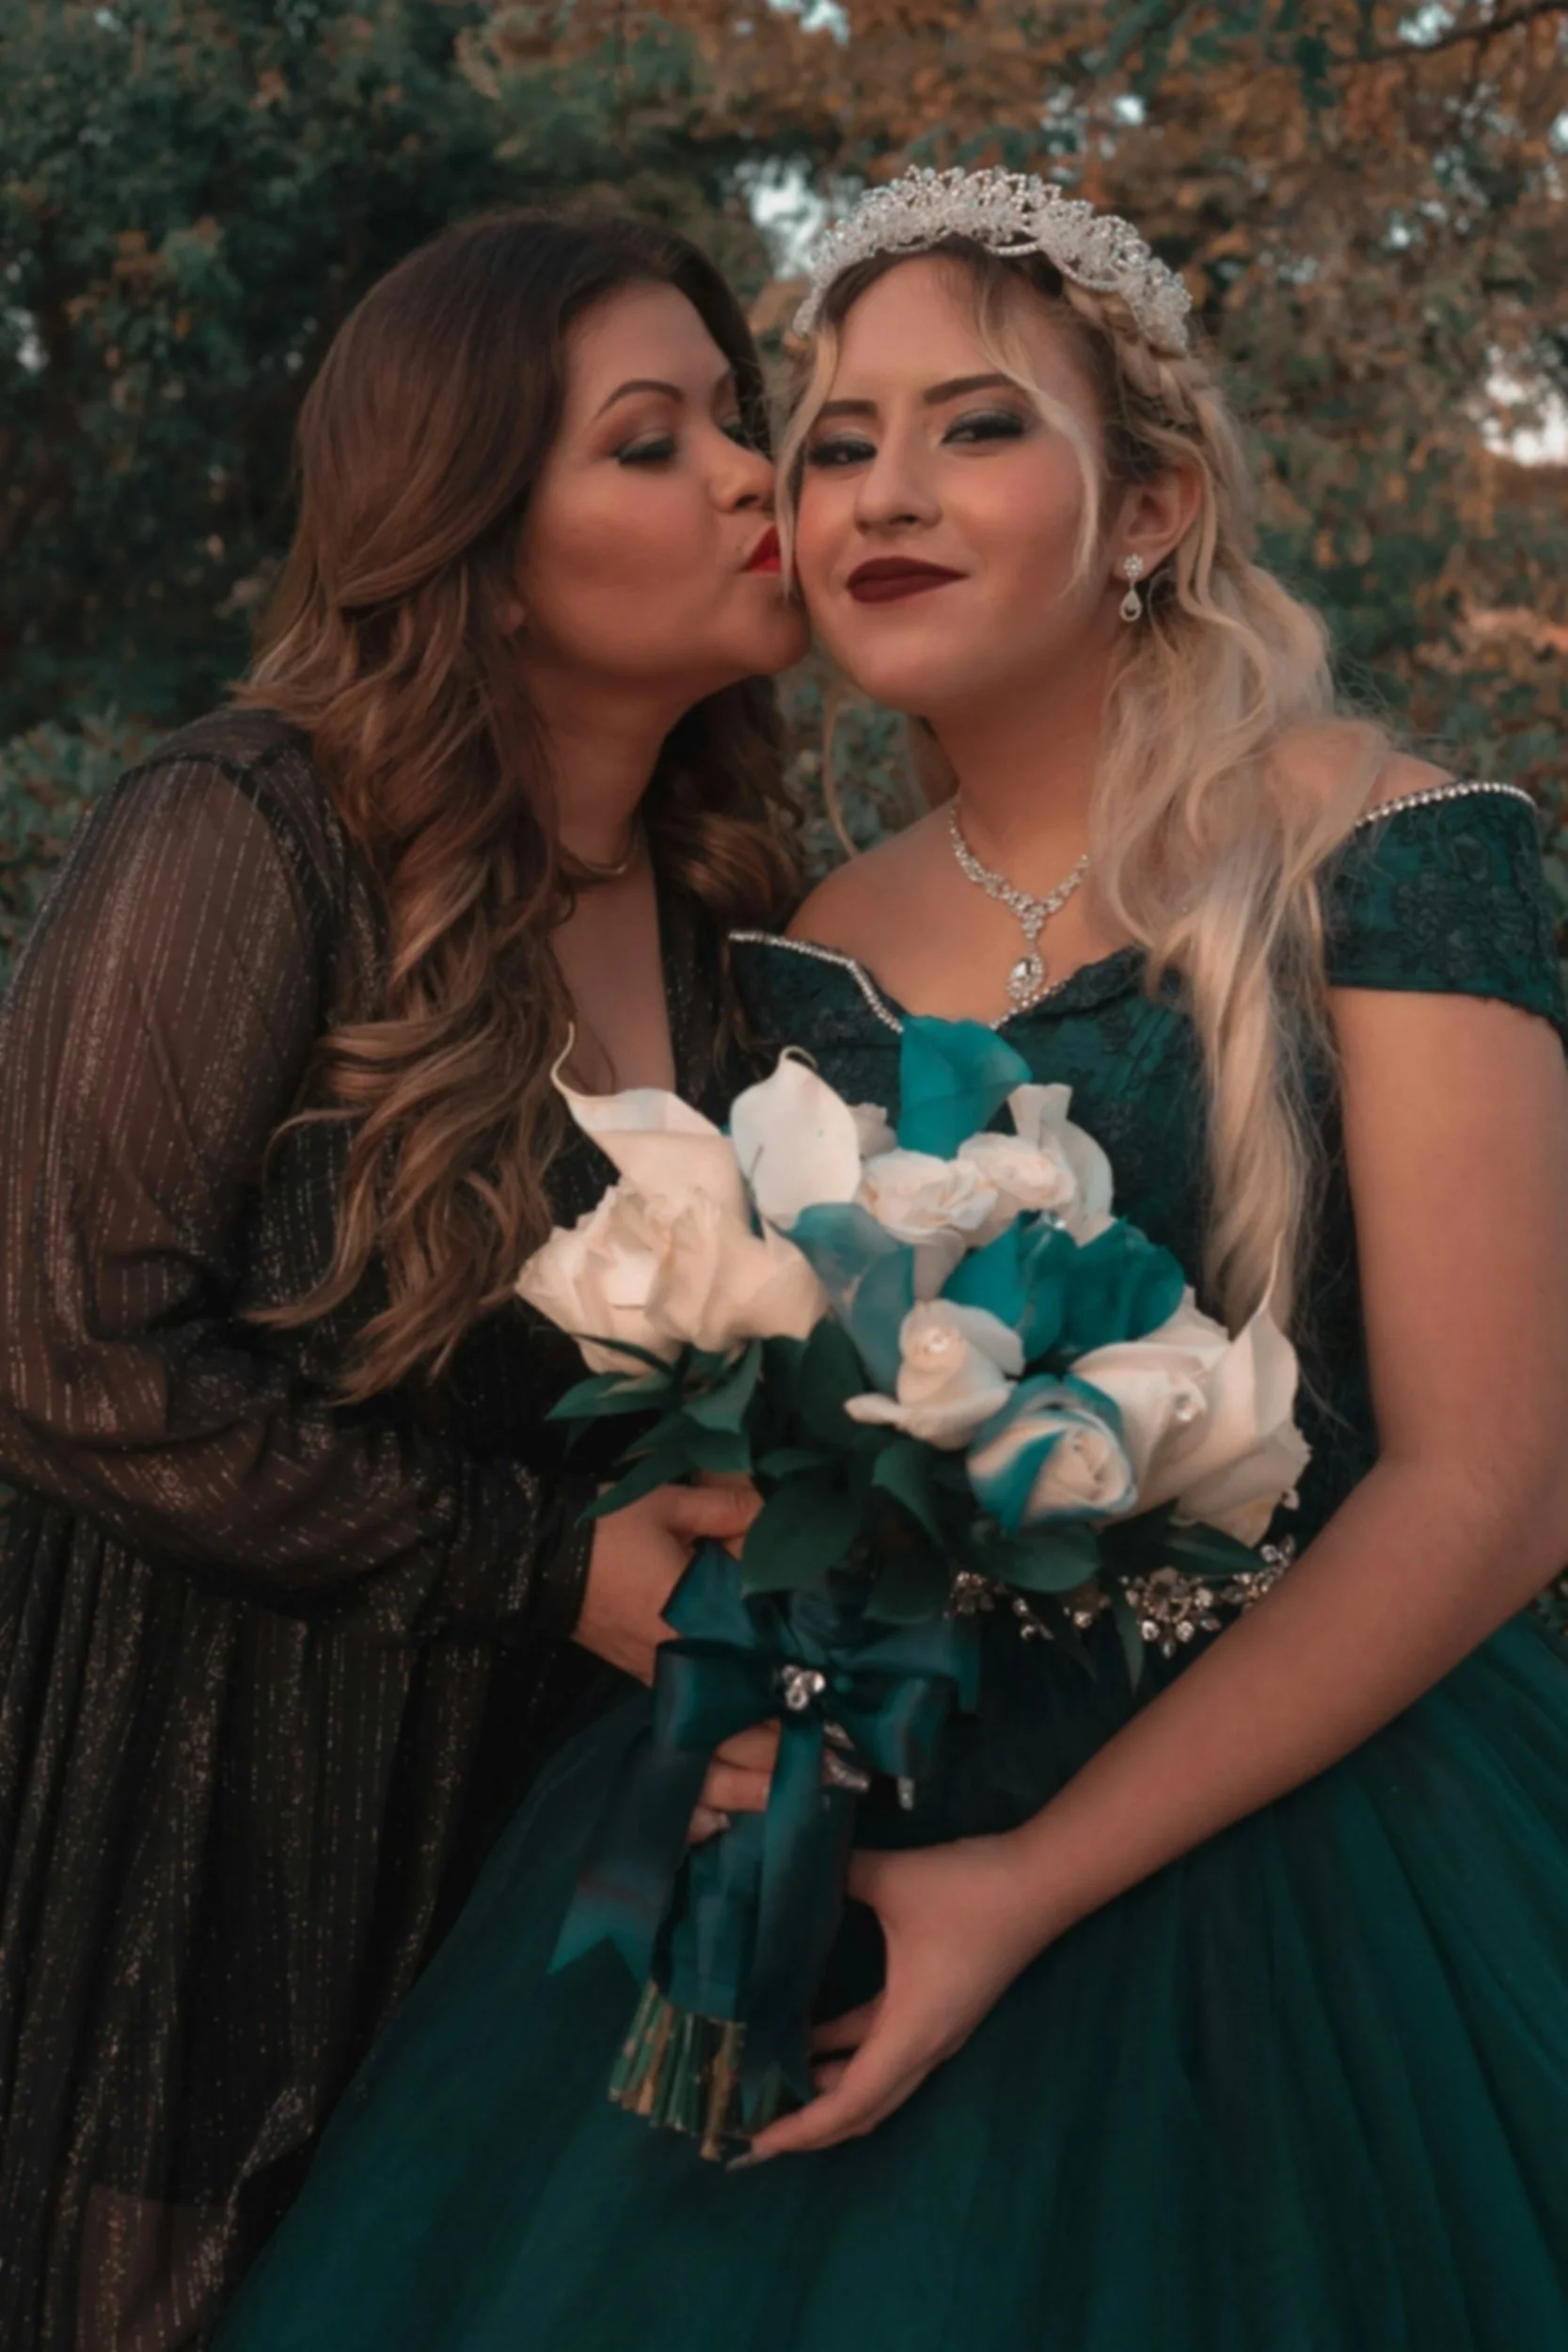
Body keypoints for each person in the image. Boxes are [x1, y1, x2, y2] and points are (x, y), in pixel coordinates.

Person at [213, 169, 1568, 2351]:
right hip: (848, 1788)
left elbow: (1495, 1485)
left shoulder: (1385, 852)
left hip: (1316, 1835)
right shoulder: (801, 945)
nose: (880, 492)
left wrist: (1022, 1882)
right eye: (835, 439)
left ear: (1142, 506)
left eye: (974, 427)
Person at [0, 206, 805, 2350]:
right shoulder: (243, 826)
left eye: (738, 421)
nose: (754, 474)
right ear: (467, 532)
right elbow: (67, 1351)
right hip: (221, 1836)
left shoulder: (748, 921)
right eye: (654, 442)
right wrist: (548, 1565)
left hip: (549, 1869)